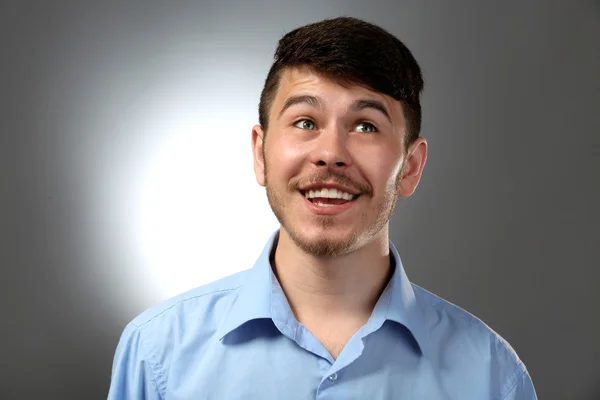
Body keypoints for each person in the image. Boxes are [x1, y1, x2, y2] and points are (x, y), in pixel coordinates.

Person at [107, 16, 537, 399]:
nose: (331, 153)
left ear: (410, 167)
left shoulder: (493, 376)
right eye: (305, 122)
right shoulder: (155, 352)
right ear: (260, 154)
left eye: (366, 125)